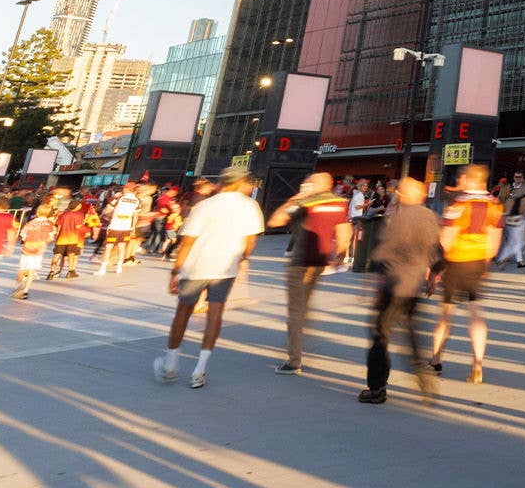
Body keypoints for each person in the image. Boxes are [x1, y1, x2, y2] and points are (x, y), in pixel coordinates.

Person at [155, 165, 265, 389]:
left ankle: (171, 364)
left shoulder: (205, 205)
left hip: (196, 266)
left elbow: (187, 241)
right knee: (215, 313)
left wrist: (176, 270)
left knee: (183, 312)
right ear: (238, 182)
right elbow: (250, 242)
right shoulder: (250, 206)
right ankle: (199, 370)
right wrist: (242, 258)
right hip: (225, 268)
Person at [359, 176, 442, 403]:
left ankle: (376, 388)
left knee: (380, 335)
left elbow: (381, 255)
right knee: (413, 334)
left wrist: (372, 286)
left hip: (393, 285)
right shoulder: (430, 217)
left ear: (404, 195)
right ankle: (423, 375)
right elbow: (440, 251)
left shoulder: (399, 219)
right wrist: (433, 275)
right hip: (413, 284)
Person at [267, 172, 353, 375]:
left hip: (300, 261)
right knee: (304, 304)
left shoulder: (305, 202)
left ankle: (294, 360)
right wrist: (340, 255)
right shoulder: (339, 203)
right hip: (320, 262)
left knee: (296, 311)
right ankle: (301, 340)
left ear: (313, 185)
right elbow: (345, 232)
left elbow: (275, 221)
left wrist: (295, 197)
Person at [430, 163, 504, 383]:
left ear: (469, 179)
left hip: (455, 263)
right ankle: (478, 364)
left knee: (446, 316)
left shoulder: (458, 204)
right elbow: (494, 242)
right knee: (476, 313)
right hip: (478, 263)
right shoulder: (495, 205)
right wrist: (485, 262)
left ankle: (436, 359)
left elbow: (446, 239)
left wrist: (437, 265)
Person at [97, 183, 143, 275]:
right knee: (122, 247)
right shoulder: (137, 200)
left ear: (127, 189)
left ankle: (103, 268)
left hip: (115, 226)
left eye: (124, 188)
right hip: (126, 227)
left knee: (109, 247)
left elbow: (108, 210)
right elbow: (136, 216)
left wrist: (109, 216)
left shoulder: (119, 198)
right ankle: (119, 267)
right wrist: (133, 227)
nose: (123, 190)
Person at [13, 202, 56, 300]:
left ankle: (17, 286)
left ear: (37, 212)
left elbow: (23, 235)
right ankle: (26, 291)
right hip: (39, 250)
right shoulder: (50, 224)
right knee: (32, 270)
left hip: (27, 248)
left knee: (22, 269)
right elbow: (51, 237)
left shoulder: (31, 223)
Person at [494, 174, 525, 270]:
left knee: (512, 240)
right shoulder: (516, 189)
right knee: (517, 241)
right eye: (517, 177)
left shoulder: (513, 189)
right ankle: (504, 259)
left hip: (508, 216)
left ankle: (515, 260)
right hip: (514, 217)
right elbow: (521, 205)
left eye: (520, 177)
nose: (518, 179)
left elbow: (499, 200)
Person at [47, 199, 91, 279]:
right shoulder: (79, 214)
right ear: (77, 206)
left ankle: (51, 272)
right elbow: (78, 226)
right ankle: (70, 271)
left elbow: (59, 227)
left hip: (61, 238)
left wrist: (57, 236)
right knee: (71, 255)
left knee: (56, 255)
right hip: (73, 238)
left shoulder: (63, 214)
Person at [344, 178, 372, 267]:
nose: (365, 187)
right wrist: (368, 204)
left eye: (366, 186)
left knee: (350, 238)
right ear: (360, 186)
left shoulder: (356, 193)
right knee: (355, 238)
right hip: (357, 218)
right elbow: (357, 207)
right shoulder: (360, 195)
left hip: (352, 218)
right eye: (363, 185)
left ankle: (347, 256)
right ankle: (353, 256)